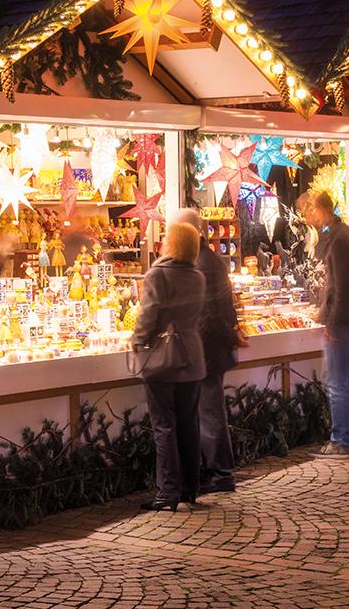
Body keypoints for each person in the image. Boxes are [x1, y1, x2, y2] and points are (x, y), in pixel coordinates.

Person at [133, 222, 208, 512]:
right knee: (189, 424)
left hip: (164, 359)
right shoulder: (197, 276)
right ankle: (190, 489)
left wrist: (138, 340)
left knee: (164, 425)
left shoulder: (157, 274)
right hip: (192, 357)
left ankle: (167, 492)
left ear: (171, 243)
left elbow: (148, 315)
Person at [170, 208, 244, 495]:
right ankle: (215, 469)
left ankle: (220, 472)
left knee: (209, 411)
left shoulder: (200, 264)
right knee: (208, 410)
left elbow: (208, 312)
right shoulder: (209, 259)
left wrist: (189, 341)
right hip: (211, 348)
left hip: (206, 351)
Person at [300, 191, 349, 459]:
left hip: (342, 319)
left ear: (319, 209)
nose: (309, 217)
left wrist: (331, 316)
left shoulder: (338, 238)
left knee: (338, 381)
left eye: (309, 211)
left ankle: (341, 440)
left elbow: (340, 284)